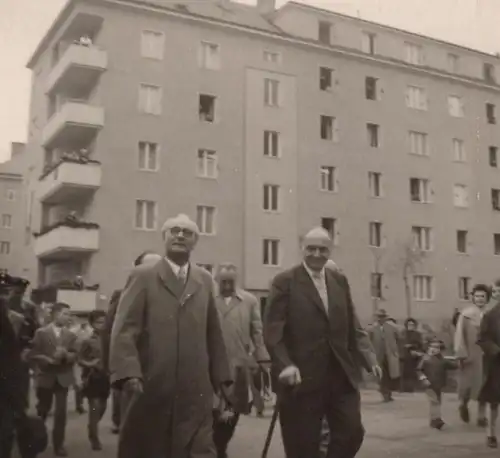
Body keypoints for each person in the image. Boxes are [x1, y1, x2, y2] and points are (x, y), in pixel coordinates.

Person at [109, 214, 233, 458]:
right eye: (174, 231)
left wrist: (223, 380)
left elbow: (214, 333)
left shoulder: (204, 279)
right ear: (164, 238)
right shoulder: (143, 275)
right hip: (152, 383)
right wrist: (129, 372)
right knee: (150, 447)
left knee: (198, 448)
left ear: (195, 241)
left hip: (195, 388)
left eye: (187, 233)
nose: (180, 235)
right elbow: (125, 329)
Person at [264, 227, 380, 458]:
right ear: (302, 249)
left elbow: (351, 324)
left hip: (339, 375)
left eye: (323, 249)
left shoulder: (339, 280)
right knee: (303, 446)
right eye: (311, 249)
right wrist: (285, 364)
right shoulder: (285, 281)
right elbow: (273, 330)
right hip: (302, 378)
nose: (317, 254)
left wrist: (368, 357)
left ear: (330, 251)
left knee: (351, 432)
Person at [102, 250, 162, 434]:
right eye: (148, 266)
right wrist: (116, 371)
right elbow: (110, 333)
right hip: (136, 372)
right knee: (135, 430)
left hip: (165, 373)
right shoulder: (123, 295)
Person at [212, 263, 269, 458]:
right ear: (216, 280)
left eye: (231, 281)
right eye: (223, 280)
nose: (227, 285)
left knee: (233, 410)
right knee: (212, 411)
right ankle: (215, 449)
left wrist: (262, 359)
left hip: (238, 364)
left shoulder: (249, 301)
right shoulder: (208, 300)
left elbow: (257, 332)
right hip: (211, 365)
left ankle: (221, 447)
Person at [0, 272, 47, 458]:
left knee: (9, 425)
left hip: (12, 374)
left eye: (7, 292)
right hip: (11, 375)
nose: (8, 297)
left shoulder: (25, 312)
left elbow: (31, 337)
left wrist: (28, 353)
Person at [30, 302, 77, 457]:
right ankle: (36, 441)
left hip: (63, 377)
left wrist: (66, 355)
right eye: (65, 314)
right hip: (46, 376)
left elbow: (75, 354)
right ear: (55, 314)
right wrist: (46, 360)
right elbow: (34, 354)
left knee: (61, 413)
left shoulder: (71, 335)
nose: (68, 317)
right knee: (43, 409)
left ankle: (59, 445)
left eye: (69, 314)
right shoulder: (41, 333)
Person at [454, 283, 489, 427]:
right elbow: (459, 335)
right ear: (473, 298)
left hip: (487, 355)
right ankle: (463, 405)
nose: (480, 299)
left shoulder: (491, 313)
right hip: (470, 354)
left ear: (487, 298)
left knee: (486, 386)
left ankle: (481, 416)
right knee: (468, 386)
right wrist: (461, 353)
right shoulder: (466, 314)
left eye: (483, 296)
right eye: (477, 296)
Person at [78, 310, 110, 450]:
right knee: (95, 407)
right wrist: (90, 364)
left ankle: (92, 425)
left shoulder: (110, 338)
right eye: (98, 322)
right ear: (92, 324)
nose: (101, 325)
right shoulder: (87, 340)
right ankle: (94, 438)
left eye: (103, 322)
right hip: (93, 377)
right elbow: (79, 359)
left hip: (106, 377)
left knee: (102, 407)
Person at [477, 279, 500, 448]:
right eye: (496, 292)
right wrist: (496, 350)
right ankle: (491, 434)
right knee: (494, 400)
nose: (497, 294)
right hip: (496, 363)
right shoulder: (490, 316)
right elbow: (482, 338)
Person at [417, 338, 457, 430]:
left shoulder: (442, 360)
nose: (435, 349)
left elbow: (453, 365)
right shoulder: (425, 358)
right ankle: (436, 420)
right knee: (434, 401)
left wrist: (461, 362)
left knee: (437, 401)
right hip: (429, 385)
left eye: (437, 347)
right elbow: (419, 370)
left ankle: (434, 420)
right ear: (429, 347)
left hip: (439, 384)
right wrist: (424, 379)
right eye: (433, 347)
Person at [368, 309, 401, 402]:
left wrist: (395, 349)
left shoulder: (392, 327)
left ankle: (388, 393)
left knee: (390, 375)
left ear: (385, 318)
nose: (380, 319)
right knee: (381, 375)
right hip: (378, 355)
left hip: (390, 355)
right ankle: (384, 393)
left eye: (382, 317)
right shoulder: (372, 329)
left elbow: (398, 338)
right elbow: (368, 341)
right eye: (378, 317)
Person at [400, 318, 424, 392]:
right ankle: (404, 388)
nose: (411, 326)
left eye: (412, 324)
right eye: (409, 324)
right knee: (404, 373)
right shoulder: (403, 333)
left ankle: (412, 388)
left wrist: (412, 346)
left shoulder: (417, 334)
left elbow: (420, 344)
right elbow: (400, 343)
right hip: (404, 356)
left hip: (414, 356)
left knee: (413, 373)